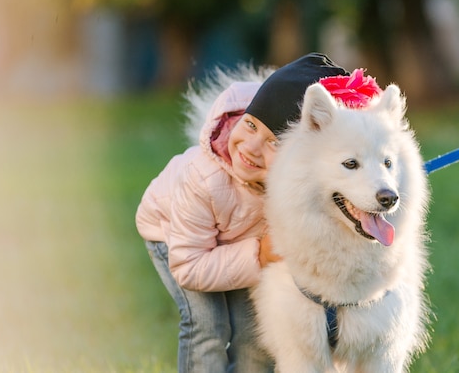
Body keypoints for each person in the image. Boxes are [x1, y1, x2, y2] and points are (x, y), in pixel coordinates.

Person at [135, 53, 349, 373]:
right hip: (176, 240)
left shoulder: (301, 190)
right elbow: (189, 267)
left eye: (274, 143)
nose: (249, 147)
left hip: (238, 245)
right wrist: (259, 255)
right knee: (209, 326)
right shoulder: (201, 180)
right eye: (249, 125)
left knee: (255, 330)